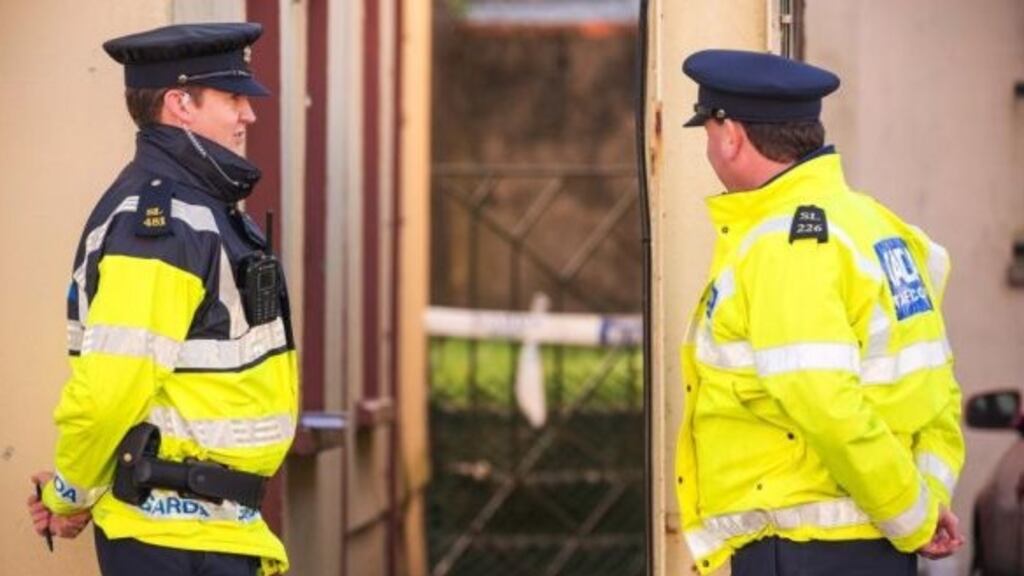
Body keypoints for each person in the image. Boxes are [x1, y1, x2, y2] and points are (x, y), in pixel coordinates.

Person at [673, 49, 965, 576]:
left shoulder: (784, 243)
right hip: (871, 549)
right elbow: (935, 390)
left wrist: (913, 518)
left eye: (708, 131)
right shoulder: (879, 228)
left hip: (800, 551)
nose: (710, 146)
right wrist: (923, 505)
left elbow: (825, 403)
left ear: (731, 134)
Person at [25, 22, 298, 576]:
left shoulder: (201, 212)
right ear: (181, 105)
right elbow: (109, 392)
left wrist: (70, 492)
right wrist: (68, 494)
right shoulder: (163, 225)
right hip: (176, 541)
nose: (248, 114)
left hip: (208, 533)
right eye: (233, 98)